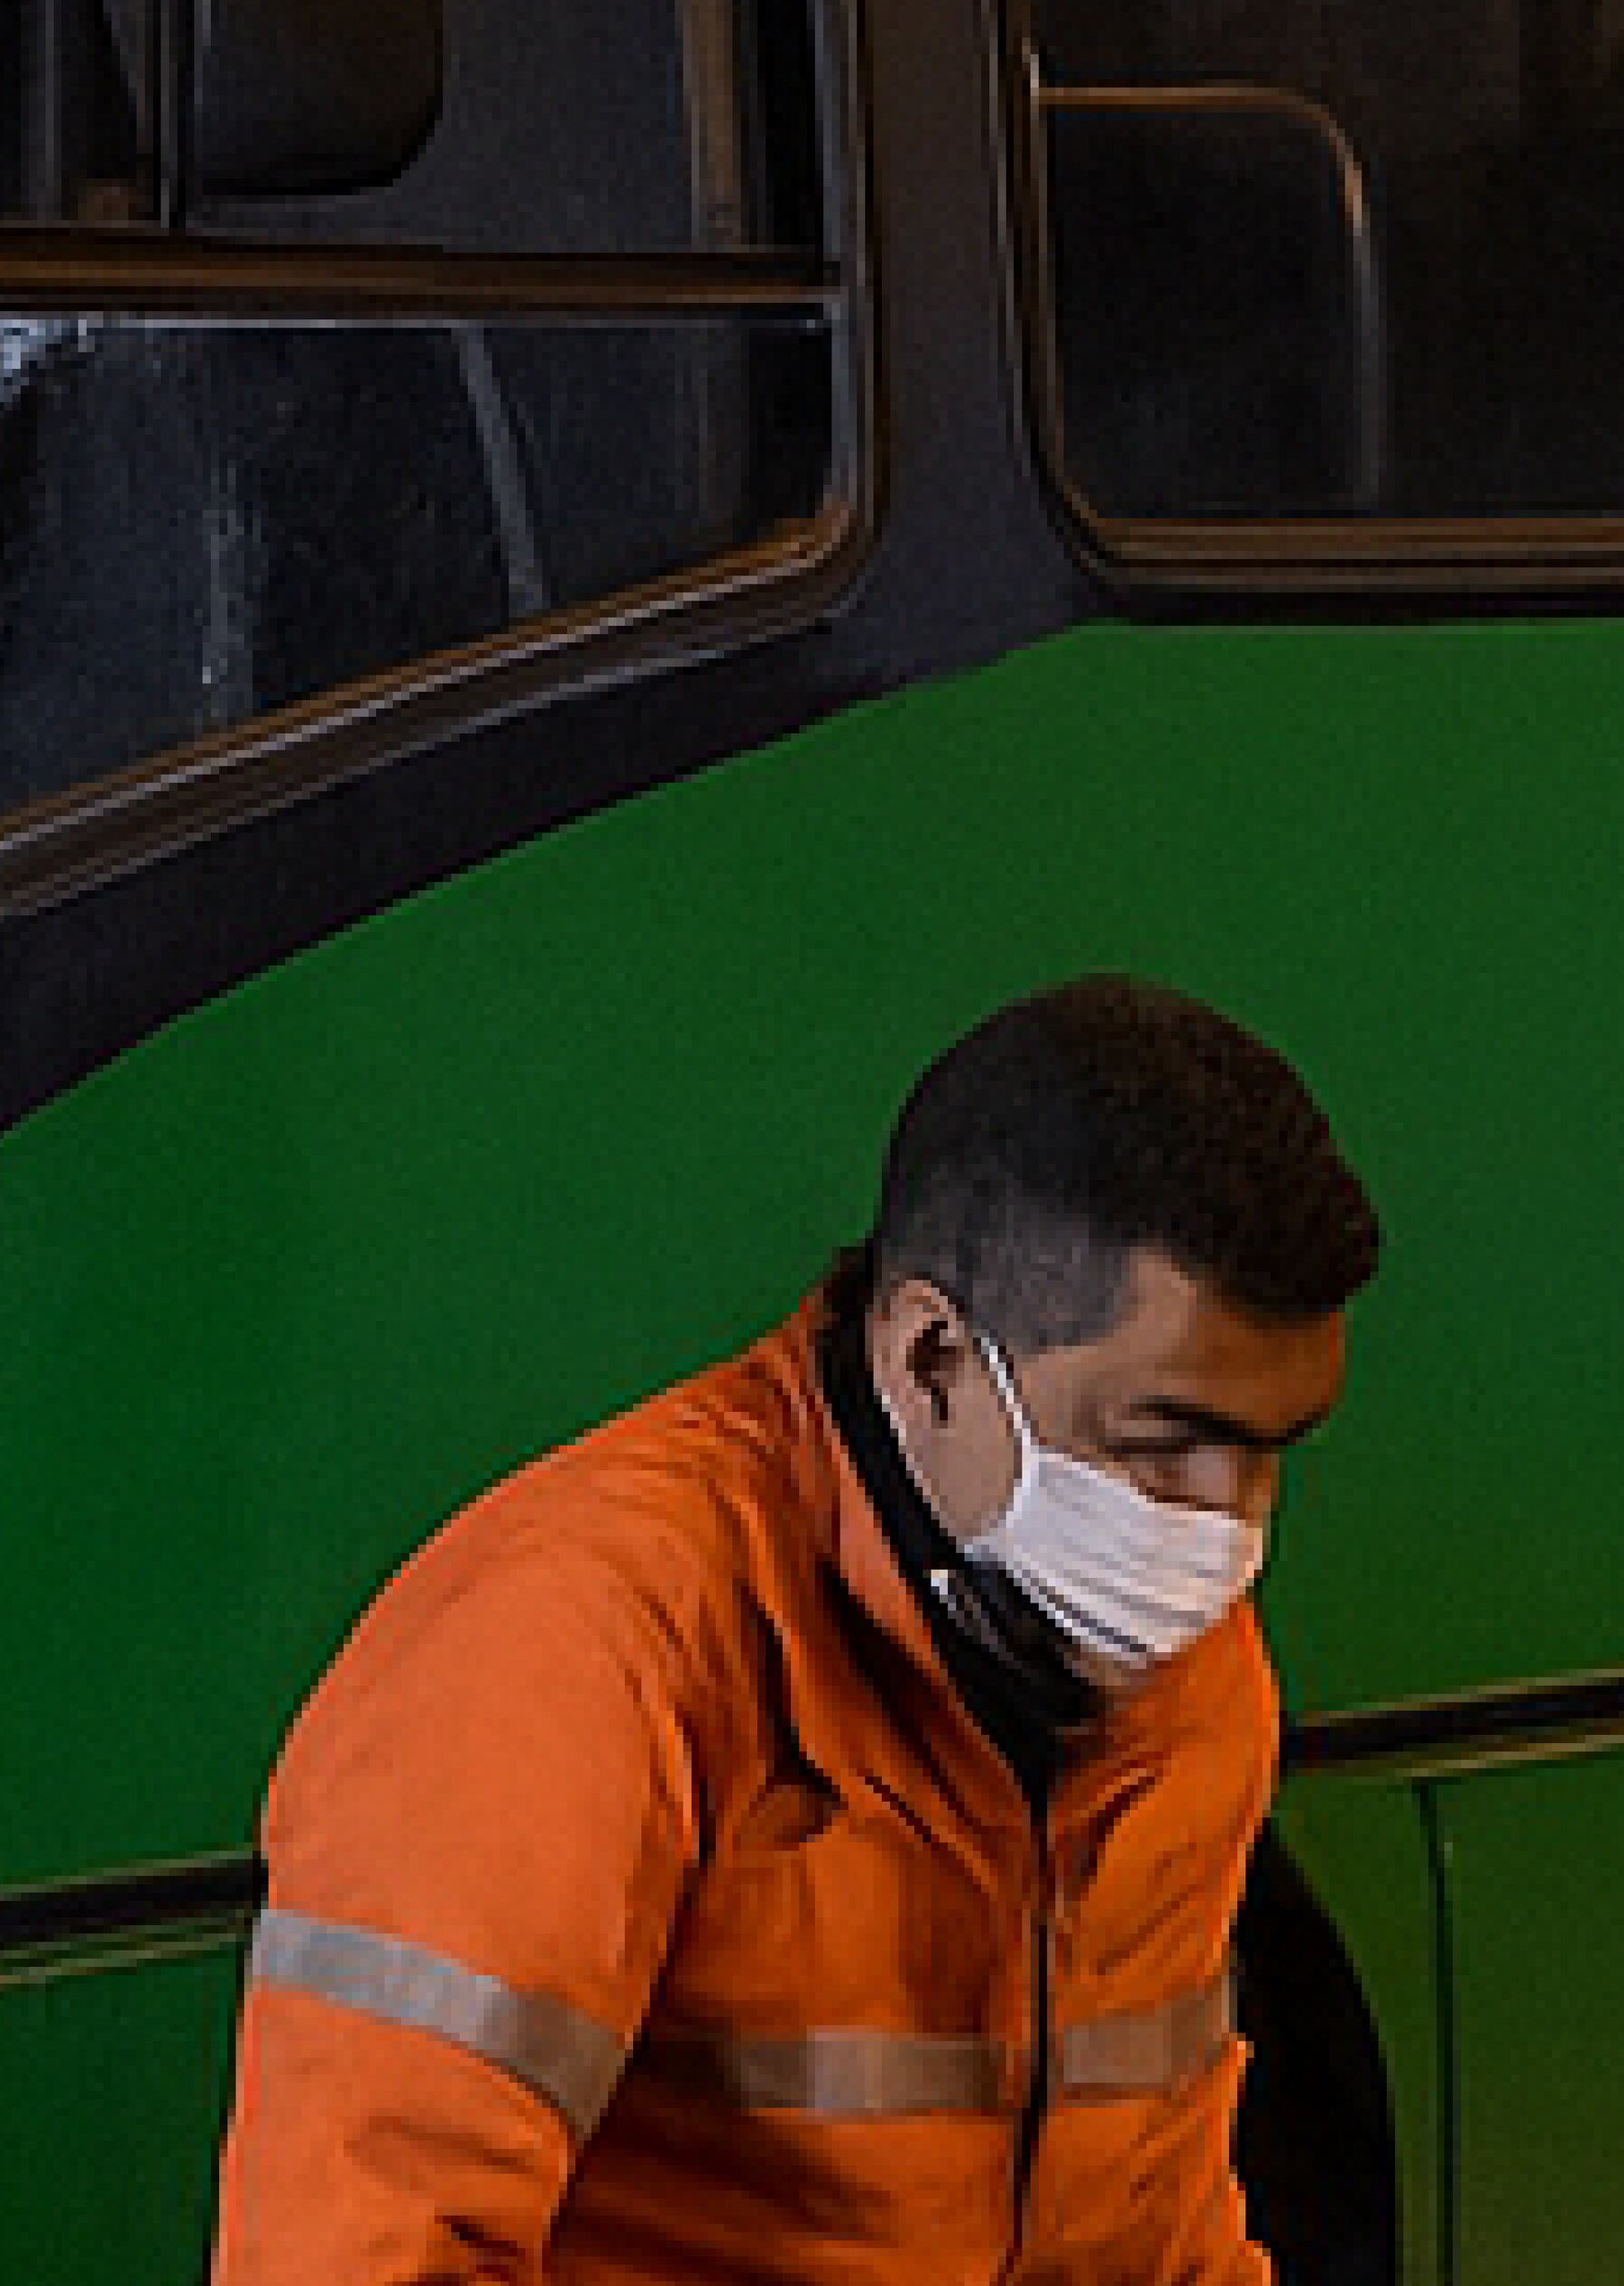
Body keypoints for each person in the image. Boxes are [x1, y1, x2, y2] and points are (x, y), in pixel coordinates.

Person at [210, 975, 1381, 2285]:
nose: (1226, 1532)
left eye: (1273, 1455)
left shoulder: (1177, 1675)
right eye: (1166, 1447)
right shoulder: (578, 1650)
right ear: (932, 1357)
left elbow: (1154, 2231)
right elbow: (364, 2250)